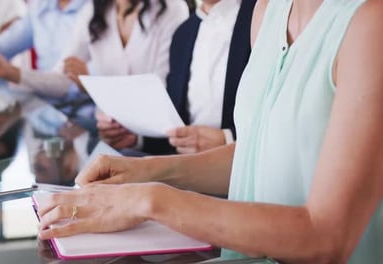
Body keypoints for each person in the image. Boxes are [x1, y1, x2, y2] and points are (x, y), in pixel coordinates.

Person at [35, 0, 383, 263]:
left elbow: (327, 236)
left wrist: (148, 199)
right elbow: (259, 151)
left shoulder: (371, 21)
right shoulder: (268, 10)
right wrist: (144, 172)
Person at [97, 0, 256, 155]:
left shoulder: (260, 15)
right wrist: (136, 138)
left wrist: (228, 139)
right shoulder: (183, 34)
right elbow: (177, 124)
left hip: (240, 162)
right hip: (187, 164)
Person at [0, 0, 190, 99]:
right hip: (104, 132)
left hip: (149, 141)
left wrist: (92, 81)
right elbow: (61, 78)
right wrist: (8, 71)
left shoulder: (171, 9)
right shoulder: (94, 10)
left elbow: (158, 90)